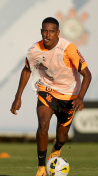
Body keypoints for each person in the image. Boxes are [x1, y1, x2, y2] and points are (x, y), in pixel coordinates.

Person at [10, 17, 91, 176]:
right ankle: (41, 168)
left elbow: (87, 75)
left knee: (62, 137)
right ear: (41, 32)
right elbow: (27, 70)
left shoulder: (68, 49)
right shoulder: (34, 50)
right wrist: (18, 96)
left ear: (58, 33)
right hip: (47, 90)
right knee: (43, 123)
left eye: (51, 31)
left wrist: (80, 97)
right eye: (45, 31)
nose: (47, 35)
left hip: (69, 96)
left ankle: (57, 149)